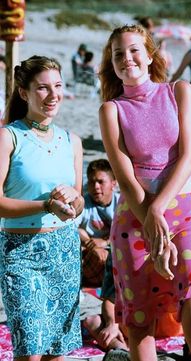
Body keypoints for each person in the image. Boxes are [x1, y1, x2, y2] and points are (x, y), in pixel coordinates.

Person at [98, 24, 191, 361]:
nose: (127, 59)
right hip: (134, 220)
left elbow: (189, 156)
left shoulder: (179, 91)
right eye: (118, 54)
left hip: (183, 215)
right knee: (138, 327)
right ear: (112, 61)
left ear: (150, 55)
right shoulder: (112, 110)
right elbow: (125, 179)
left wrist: (159, 210)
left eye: (134, 50)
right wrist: (150, 221)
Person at [0, 55, 85, 360]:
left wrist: (72, 199)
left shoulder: (71, 141)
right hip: (20, 253)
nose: (53, 95)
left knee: (57, 351)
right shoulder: (9, 137)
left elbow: (80, 200)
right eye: (43, 88)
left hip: (64, 250)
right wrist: (47, 205)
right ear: (24, 92)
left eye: (58, 86)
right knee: (30, 351)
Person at [77, 159, 119, 287]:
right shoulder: (83, 203)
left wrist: (105, 243)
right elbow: (74, 228)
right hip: (90, 252)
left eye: (101, 182)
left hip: (113, 250)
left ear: (113, 184)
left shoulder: (121, 203)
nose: (95, 186)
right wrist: (92, 246)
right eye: (91, 181)